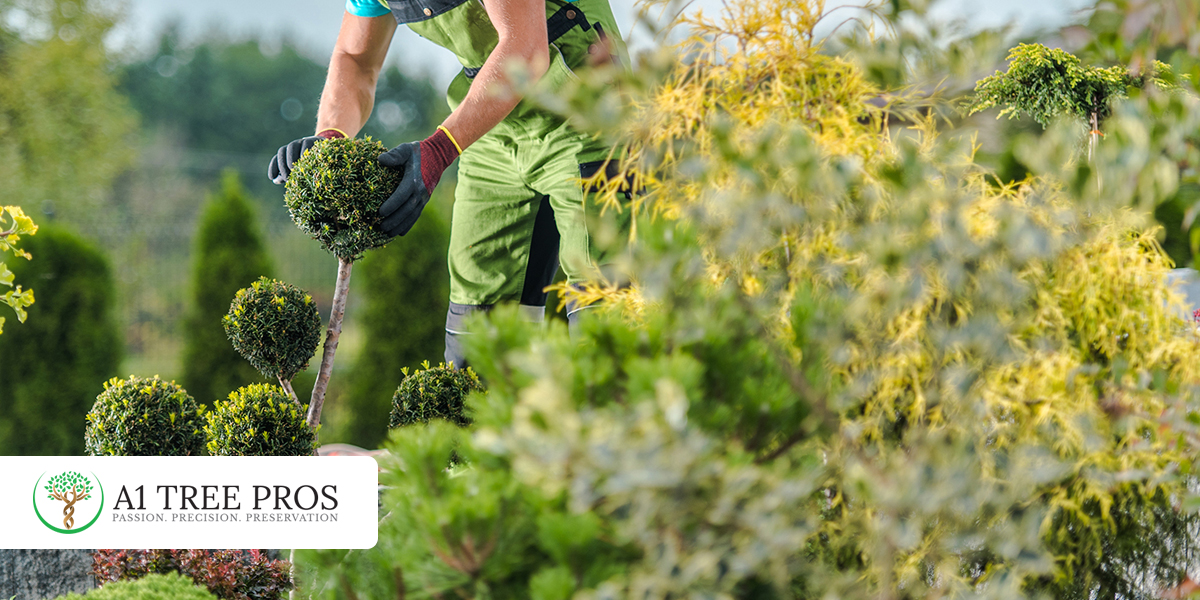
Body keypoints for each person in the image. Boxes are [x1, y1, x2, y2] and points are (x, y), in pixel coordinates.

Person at [268, 0, 629, 368]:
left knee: (605, 306)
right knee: (478, 329)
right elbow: (355, 58)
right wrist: (331, 135)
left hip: (582, 99)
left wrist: (440, 149)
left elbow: (525, 48)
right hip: (492, 121)